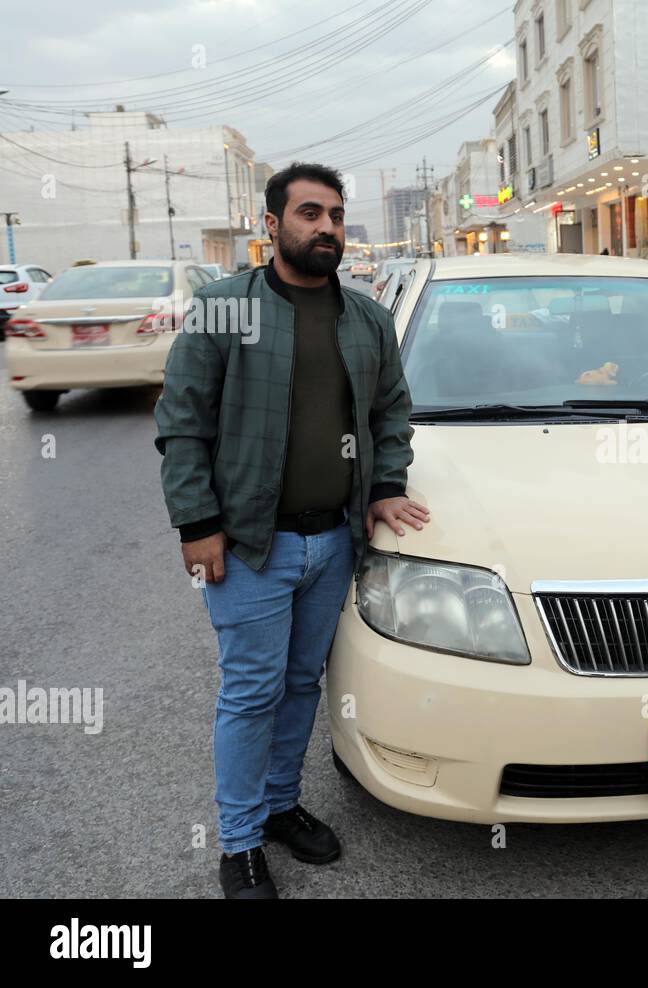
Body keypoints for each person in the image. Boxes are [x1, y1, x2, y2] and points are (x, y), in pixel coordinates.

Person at [154, 162, 430, 899]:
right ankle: (240, 842)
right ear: (271, 225)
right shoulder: (222, 309)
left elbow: (389, 414)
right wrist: (198, 523)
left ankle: (279, 807)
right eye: (310, 214)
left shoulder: (366, 317)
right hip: (249, 545)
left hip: (334, 542)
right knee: (250, 692)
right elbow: (182, 427)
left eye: (336, 216)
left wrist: (387, 488)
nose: (327, 228)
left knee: (302, 682)